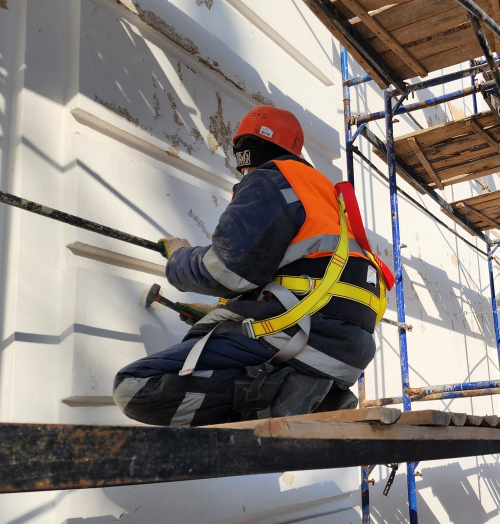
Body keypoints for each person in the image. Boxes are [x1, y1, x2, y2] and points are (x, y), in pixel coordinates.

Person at [114, 106, 389, 426]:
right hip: (344, 350)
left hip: (302, 337)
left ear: (244, 153)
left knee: (134, 387)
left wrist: (179, 259)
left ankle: (275, 397)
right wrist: (219, 314)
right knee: (213, 337)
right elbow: (309, 277)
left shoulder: (272, 180)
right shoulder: (326, 196)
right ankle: (317, 394)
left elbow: (227, 271)